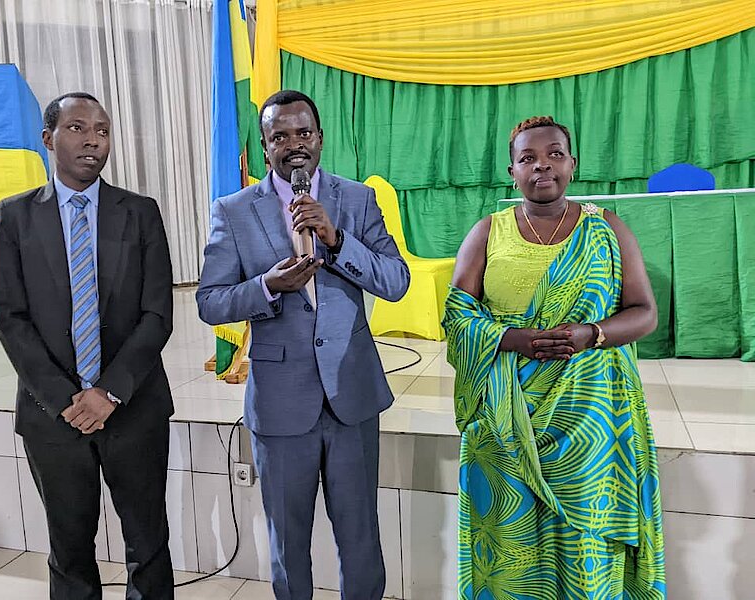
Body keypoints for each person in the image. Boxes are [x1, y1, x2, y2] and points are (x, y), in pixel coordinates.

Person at [196, 89, 409, 599]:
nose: (294, 144)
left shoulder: (356, 199)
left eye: (303, 133)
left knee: (360, 534)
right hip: (280, 402)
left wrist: (337, 241)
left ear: (320, 138)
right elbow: (210, 301)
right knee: (288, 541)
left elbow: (395, 281)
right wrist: (267, 286)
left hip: (351, 395)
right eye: (280, 136)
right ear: (265, 146)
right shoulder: (234, 210)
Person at [443, 116, 666, 598]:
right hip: (505, 418)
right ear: (512, 172)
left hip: (592, 420)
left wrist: (592, 333)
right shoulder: (488, 232)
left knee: (587, 542)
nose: (542, 166)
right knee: (512, 544)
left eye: (554, 155)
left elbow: (645, 312)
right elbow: (458, 317)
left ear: (573, 164)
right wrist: (512, 339)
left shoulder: (606, 229)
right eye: (528, 158)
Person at [0, 92, 175, 599]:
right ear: (47, 139)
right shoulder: (15, 217)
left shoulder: (140, 213)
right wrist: (67, 400)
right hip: (54, 416)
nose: (93, 139)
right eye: (77, 127)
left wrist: (108, 392)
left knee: (149, 544)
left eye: (103, 130)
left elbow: (158, 314)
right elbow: (11, 319)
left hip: (133, 407)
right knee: (69, 550)